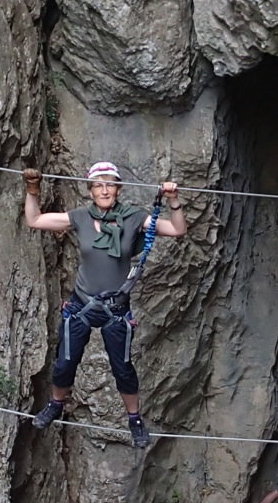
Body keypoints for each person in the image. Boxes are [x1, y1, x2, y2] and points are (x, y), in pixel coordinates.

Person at [22, 160, 187, 448]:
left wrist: (173, 200)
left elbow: (176, 230)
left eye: (110, 184)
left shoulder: (135, 218)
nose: (105, 190)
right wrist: (33, 190)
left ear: (119, 189)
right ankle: (56, 404)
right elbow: (34, 221)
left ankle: (134, 419)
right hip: (82, 305)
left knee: (122, 369)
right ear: (91, 190)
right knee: (64, 363)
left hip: (116, 309)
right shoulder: (80, 217)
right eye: (99, 185)